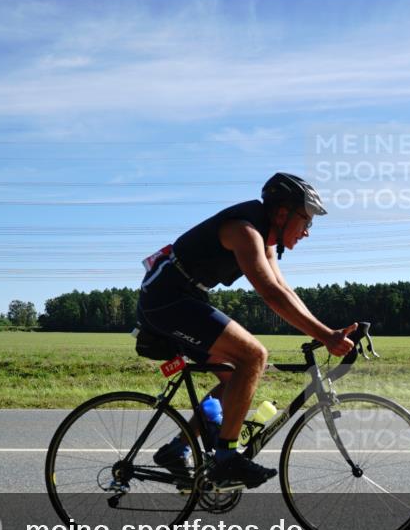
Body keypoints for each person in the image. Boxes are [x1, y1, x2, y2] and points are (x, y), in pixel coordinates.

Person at [136, 173, 357, 489]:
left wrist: (326, 331)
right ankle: (226, 458)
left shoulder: (265, 237)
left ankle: (178, 449)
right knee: (254, 356)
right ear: (282, 213)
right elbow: (270, 293)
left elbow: (284, 288)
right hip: (166, 300)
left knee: (235, 376)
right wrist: (326, 336)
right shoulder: (244, 230)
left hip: (182, 297)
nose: (307, 231)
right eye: (305, 221)